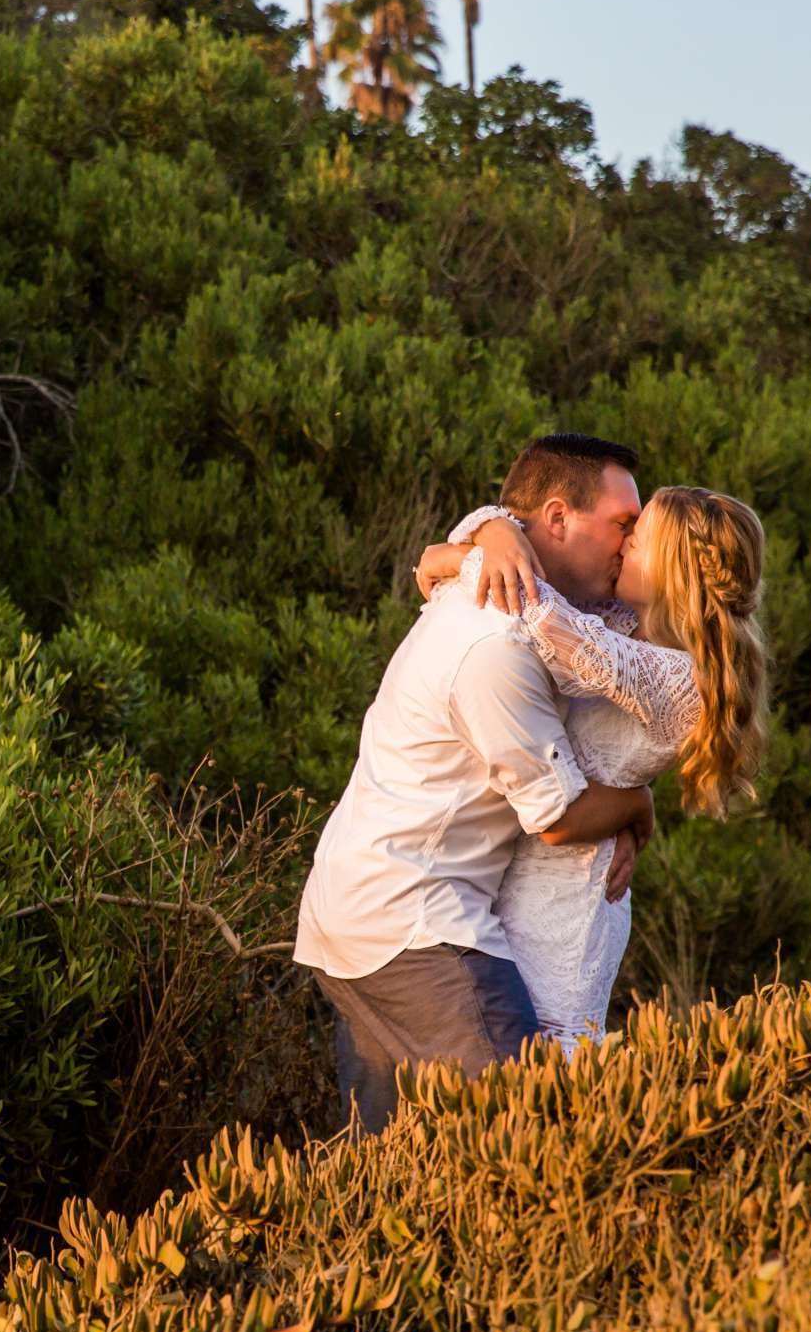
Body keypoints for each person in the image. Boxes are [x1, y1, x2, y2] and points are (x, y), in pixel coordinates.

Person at [293, 434, 653, 1134]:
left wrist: (484, 531)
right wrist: (637, 808)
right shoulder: (497, 645)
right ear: (556, 519)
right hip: (414, 923)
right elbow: (558, 815)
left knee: (394, 1153)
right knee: (521, 1126)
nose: (630, 542)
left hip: (354, 910)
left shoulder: (503, 593)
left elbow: (444, 560)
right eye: (622, 524)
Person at [413, 484, 770, 1054]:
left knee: (538, 1070)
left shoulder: (680, 680)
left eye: (639, 537)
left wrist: (477, 549)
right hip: (524, 870)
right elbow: (538, 593)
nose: (623, 544)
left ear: (672, 570)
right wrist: (489, 533)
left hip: (568, 901)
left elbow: (543, 618)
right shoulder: (627, 626)